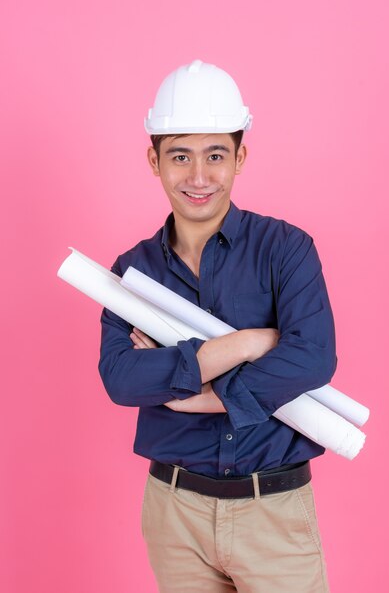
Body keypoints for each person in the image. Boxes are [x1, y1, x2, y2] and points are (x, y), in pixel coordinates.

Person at [99, 59, 337, 592]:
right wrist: (248, 343)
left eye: (215, 155)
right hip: (173, 511)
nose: (199, 176)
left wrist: (195, 387)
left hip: (272, 509)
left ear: (240, 158)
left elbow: (314, 358)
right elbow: (121, 379)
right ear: (154, 161)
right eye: (180, 156)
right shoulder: (133, 274)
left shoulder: (287, 249)